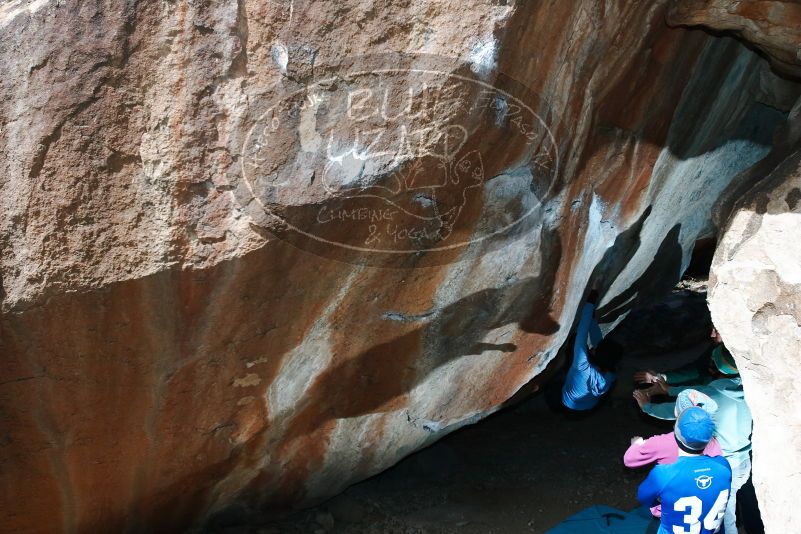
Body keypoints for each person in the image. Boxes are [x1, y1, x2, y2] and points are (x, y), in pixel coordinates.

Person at [635, 344, 750, 534]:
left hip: (723, 464)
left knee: (725, 516)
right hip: (744, 461)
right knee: (727, 506)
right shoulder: (749, 389)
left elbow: (683, 412)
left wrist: (647, 407)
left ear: (715, 368)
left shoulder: (712, 397)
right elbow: (701, 390)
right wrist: (670, 389)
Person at [626, 389, 723, 518]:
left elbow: (630, 461)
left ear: (676, 413)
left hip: (672, 518)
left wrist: (636, 444)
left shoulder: (661, 455)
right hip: (705, 516)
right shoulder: (720, 457)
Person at [638, 407, 732, 534]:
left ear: (676, 434)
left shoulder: (663, 474)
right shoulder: (723, 465)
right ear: (710, 438)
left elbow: (643, 497)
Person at [561, 290, 621, 410]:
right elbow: (598, 342)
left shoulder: (582, 365)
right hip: (590, 404)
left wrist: (592, 297)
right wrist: (593, 320)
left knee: (573, 341)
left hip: (567, 402)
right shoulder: (611, 374)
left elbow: (582, 330)